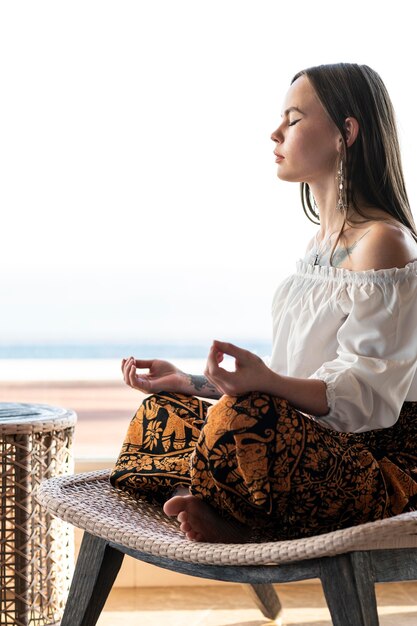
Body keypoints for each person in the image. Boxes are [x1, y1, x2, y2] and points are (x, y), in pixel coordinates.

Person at [110, 63, 417, 543]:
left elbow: (367, 400)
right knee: (162, 412)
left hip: (371, 459)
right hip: (312, 436)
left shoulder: (383, 243)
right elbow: (298, 376)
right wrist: (193, 382)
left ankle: (234, 514)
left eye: (293, 120)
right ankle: (219, 502)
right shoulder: (321, 245)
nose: (275, 132)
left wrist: (262, 386)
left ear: (346, 132)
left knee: (243, 418)